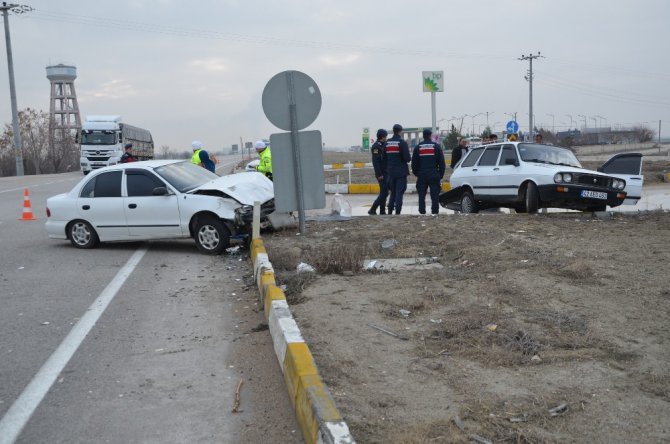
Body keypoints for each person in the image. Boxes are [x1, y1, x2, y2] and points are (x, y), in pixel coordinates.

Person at [411, 128, 446, 215]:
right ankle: (434, 211)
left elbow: (414, 164)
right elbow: (442, 163)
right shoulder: (436, 146)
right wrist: (440, 174)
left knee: (421, 195)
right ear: (430, 135)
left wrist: (417, 173)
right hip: (434, 174)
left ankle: (422, 211)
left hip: (422, 174)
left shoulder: (418, 147)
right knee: (434, 196)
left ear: (423, 136)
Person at [385, 124, 411, 215]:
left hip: (390, 172)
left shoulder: (387, 143)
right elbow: (407, 158)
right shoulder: (402, 142)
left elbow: (384, 158)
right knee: (399, 193)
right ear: (400, 131)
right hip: (400, 172)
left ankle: (389, 211)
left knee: (392, 193)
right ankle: (398, 211)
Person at [368, 129, 390, 215]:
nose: (386, 138)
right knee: (385, 192)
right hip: (381, 173)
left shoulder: (384, 144)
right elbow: (375, 162)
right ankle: (373, 209)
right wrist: (379, 174)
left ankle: (382, 210)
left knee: (383, 192)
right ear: (383, 136)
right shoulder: (376, 147)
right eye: (385, 136)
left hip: (386, 172)